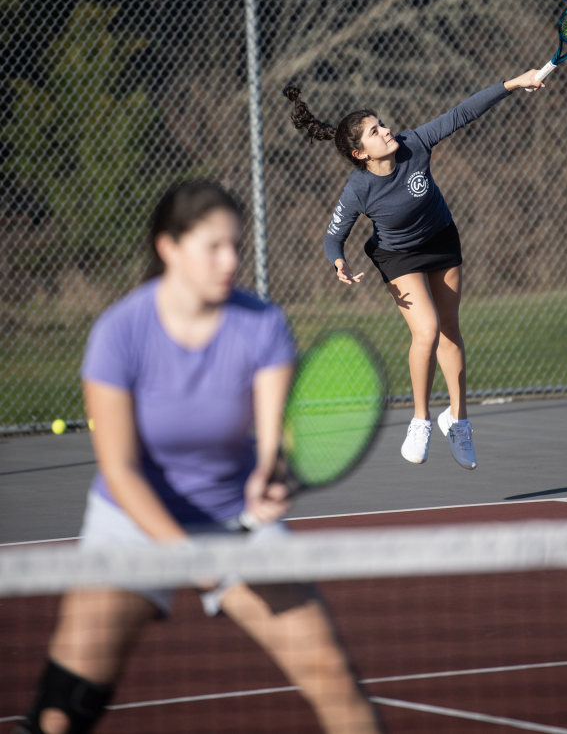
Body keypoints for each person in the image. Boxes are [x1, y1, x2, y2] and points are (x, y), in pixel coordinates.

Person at [15, 180, 381, 734]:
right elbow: (121, 469)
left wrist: (269, 477)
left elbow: (273, 440)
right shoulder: (119, 333)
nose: (230, 260)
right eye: (213, 246)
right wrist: (192, 557)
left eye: (235, 245)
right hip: (130, 522)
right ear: (169, 248)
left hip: (234, 515)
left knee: (331, 672)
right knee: (63, 708)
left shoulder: (262, 324)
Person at [283, 73, 544, 467]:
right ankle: (420, 420)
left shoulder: (413, 144)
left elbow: (461, 114)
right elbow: (333, 238)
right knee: (427, 330)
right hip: (397, 256)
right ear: (360, 153)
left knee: (450, 331)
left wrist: (512, 84)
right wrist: (339, 262)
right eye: (375, 131)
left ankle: (458, 420)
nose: (386, 131)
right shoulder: (358, 189)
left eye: (381, 124)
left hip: (441, 239)